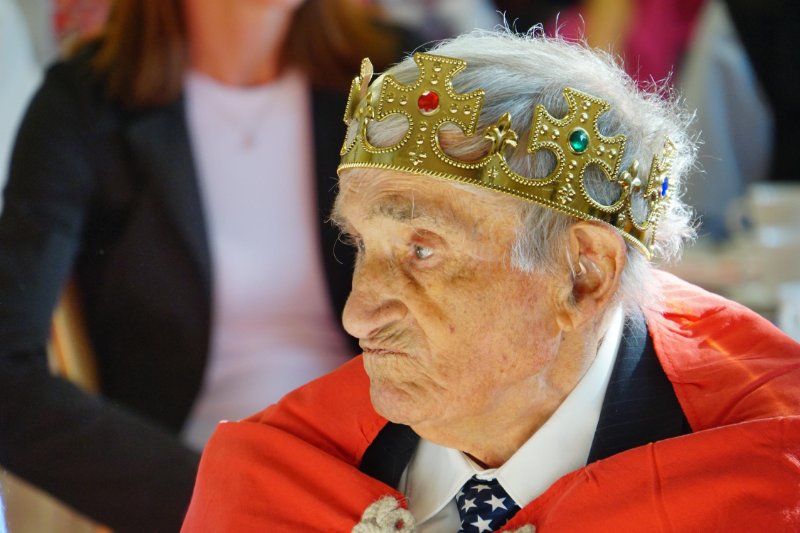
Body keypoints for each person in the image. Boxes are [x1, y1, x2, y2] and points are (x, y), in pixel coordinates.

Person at [181, 29, 800, 532]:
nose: (357, 315)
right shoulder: (279, 472)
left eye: (422, 250)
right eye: (361, 244)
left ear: (583, 275)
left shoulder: (767, 474)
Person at [0, 1, 402, 531]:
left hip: (394, 466)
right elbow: (8, 376)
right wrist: (226, 498)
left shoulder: (396, 78)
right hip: (188, 483)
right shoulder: (82, 105)